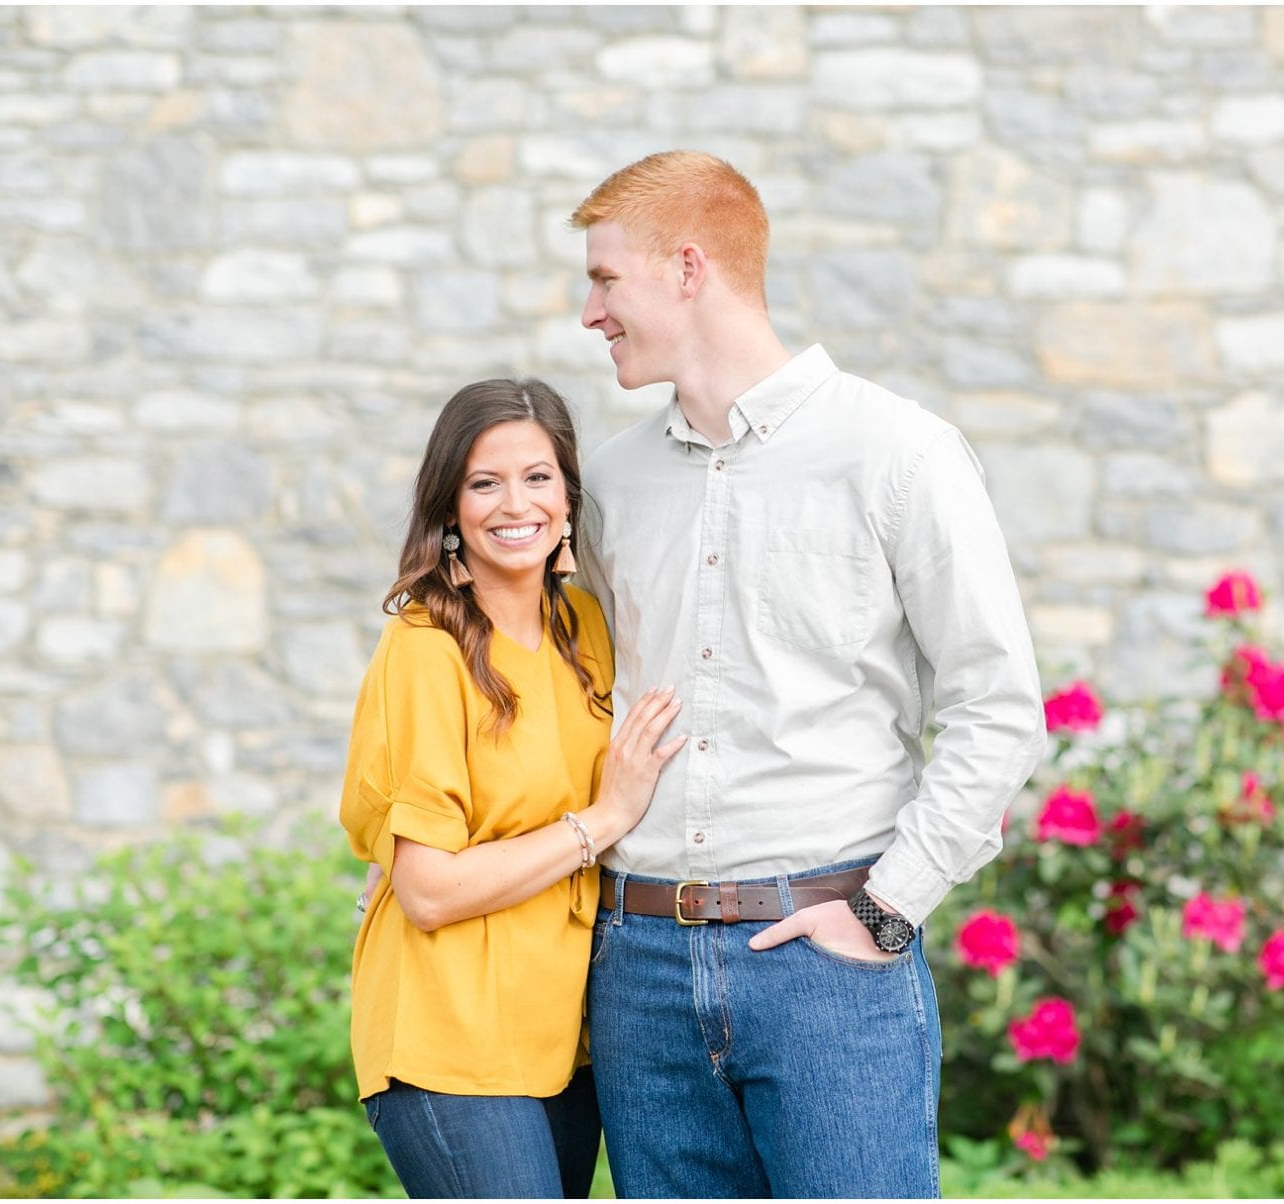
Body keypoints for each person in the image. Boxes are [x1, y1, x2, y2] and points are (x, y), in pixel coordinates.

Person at [569, 150, 1046, 1198]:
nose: (589, 311)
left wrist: (886, 910)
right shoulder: (608, 482)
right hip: (636, 966)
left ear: (687, 267)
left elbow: (999, 707)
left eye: (605, 278)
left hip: (827, 968)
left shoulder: (895, 453)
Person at [338, 379, 685, 1199]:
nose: (514, 504)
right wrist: (602, 820)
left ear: (568, 497)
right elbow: (426, 890)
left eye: (537, 477)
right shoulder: (426, 647)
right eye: (483, 483)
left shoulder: (588, 632)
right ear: (449, 508)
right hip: (448, 1032)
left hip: (566, 1037)